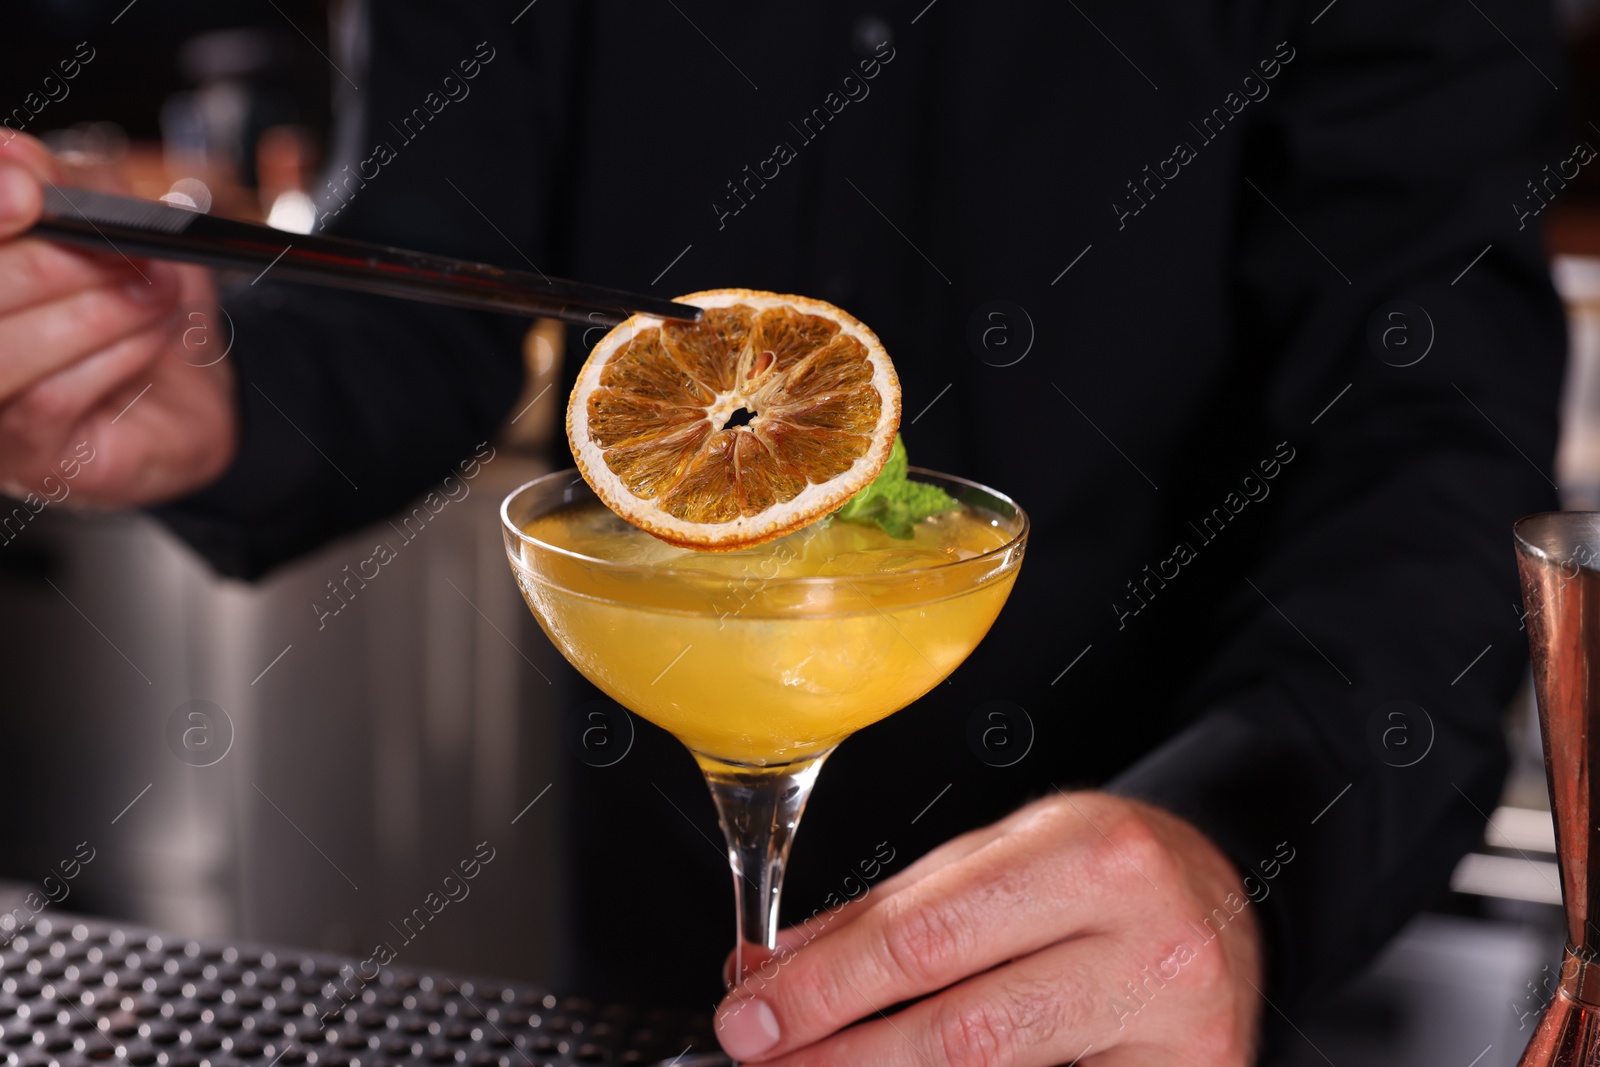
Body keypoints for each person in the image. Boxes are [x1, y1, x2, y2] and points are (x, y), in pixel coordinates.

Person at [0, 2, 1567, 1062]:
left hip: (1167, 941)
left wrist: (1248, 860)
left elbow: (1424, 410)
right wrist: (204, 389)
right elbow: (436, 278)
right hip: (656, 906)